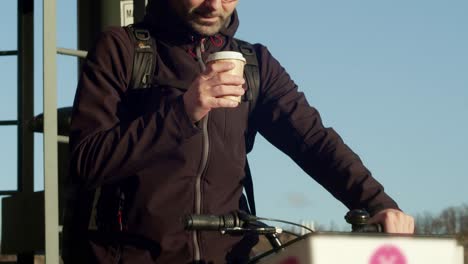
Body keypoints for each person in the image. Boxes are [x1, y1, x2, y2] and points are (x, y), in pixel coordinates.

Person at [62, 0, 414, 263]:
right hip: (129, 256)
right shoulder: (122, 50)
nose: (214, 5)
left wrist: (377, 204)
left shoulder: (254, 64)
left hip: (228, 255)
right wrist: (183, 112)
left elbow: (314, 141)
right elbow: (86, 160)